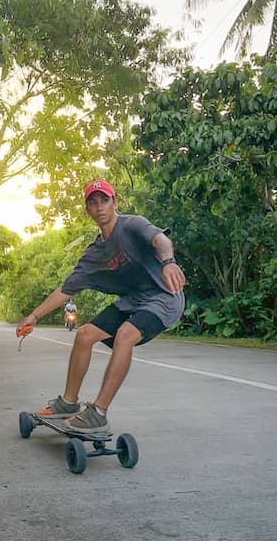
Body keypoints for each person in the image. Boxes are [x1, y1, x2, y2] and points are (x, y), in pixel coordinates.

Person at [16, 179, 186, 433]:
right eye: (93, 203)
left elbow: (160, 240)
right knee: (84, 335)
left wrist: (169, 261)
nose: (99, 207)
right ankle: (68, 402)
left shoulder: (132, 225)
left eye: (104, 200)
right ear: (88, 210)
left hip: (164, 298)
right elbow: (66, 290)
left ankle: (98, 412)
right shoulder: (94, 254)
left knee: (125, 335)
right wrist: (34, 315)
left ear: (115, 202)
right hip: (133, 302)